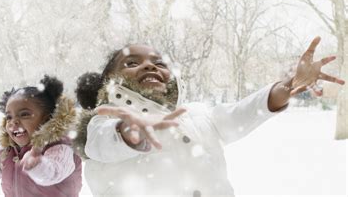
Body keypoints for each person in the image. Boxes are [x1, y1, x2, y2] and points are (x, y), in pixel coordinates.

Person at [73, 36, 344, 196]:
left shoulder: (196, 114)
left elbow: (241, 114)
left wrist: (287, 86)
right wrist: (129, 132)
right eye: (132, 63)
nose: (149, 65)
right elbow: (102, 145)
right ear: (109, 80)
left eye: (158, 62)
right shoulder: (102, 122)